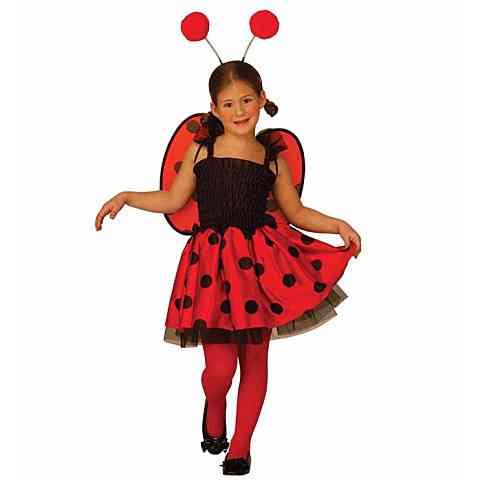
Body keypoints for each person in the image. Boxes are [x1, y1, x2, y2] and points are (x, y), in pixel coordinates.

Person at [94, 10, 361, 476]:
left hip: (260, 269)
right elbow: (173, 198)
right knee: (219, 369)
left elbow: (296, 212)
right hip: (211, 271)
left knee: (255, 360)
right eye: (229, 103)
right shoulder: (201, 150)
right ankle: (214, 404)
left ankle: (240, 446)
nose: (239, 111)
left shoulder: (272, 159)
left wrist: (336, 224)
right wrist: (128, 197)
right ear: (214, 108)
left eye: (247, 100)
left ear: (262, 100)